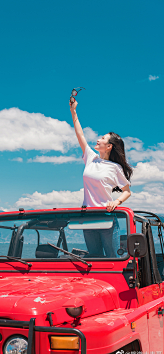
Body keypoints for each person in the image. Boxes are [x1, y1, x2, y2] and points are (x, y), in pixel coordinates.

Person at [70, 100, 132, 257]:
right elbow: (80, 134)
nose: (98, 139)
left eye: (103, 138)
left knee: (112, 257)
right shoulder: (91, 157)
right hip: (87, 216)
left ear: (109, 146)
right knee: (95, 257)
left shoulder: (115, 168)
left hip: (106, 216)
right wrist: (73, 111)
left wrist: (116, 202)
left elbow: (127, 191)